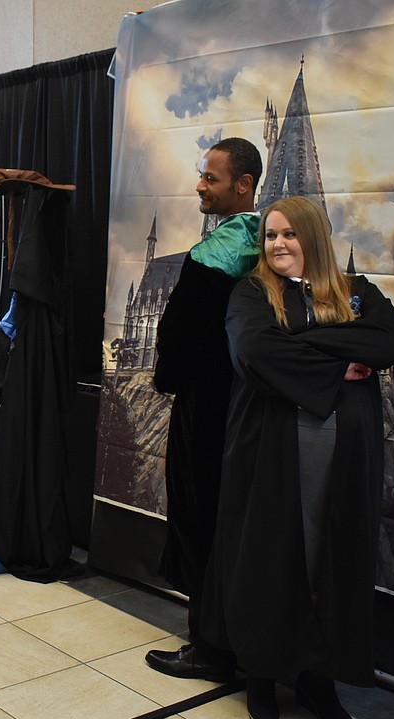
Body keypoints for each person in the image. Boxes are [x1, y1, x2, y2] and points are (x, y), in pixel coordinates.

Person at [202, 196, 394, 719]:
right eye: (270, 235)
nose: (278, 245)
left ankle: (320, 680)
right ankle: (263, 677)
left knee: (329, 560)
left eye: (289, 234)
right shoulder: (251, 293)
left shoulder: (358, 292)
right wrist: (340, 365)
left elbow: (388, 340)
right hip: (271, 451)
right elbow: (253, 351)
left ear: (313, 237)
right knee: (272, 556)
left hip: (343, 456)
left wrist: (302, 343)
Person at [145, 137, 263, 683]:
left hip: (207, 406)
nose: (199, 185)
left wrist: (171, 380)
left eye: (210, 178)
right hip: (246, 408)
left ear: (243, 185)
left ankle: (208, 645)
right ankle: (230, 638)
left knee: (200, 514)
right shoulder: (271, 245)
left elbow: (184, 334)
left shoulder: (217, 254)